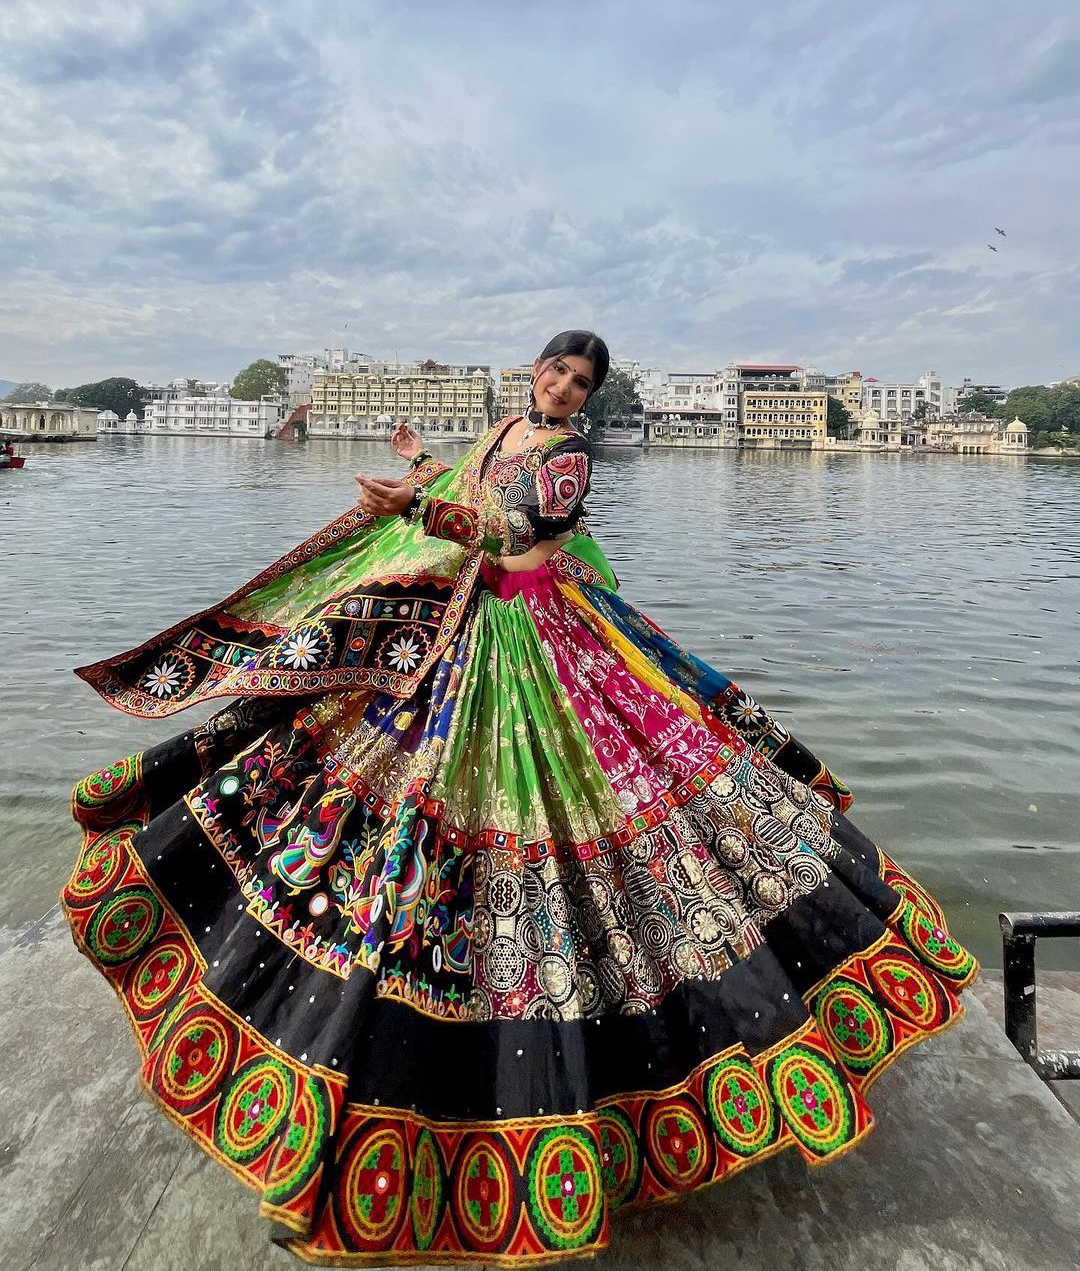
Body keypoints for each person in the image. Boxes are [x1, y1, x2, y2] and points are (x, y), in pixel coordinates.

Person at [63, 329, 976, 1266]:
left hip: (535, 640)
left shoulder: (572, 456)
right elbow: (470, 490)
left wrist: (420, 505)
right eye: (558, 371)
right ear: (532, 369)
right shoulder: (505, 428)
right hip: (461, 632)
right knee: (359, 792)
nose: (567, 388)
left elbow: (515, 537)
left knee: (591, 817)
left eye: (582, 382)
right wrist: (419, 465)